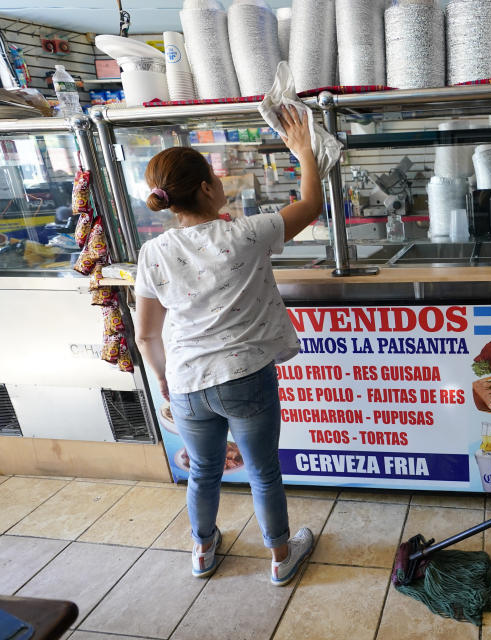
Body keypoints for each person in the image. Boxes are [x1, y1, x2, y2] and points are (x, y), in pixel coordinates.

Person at [134, 106, 326, 586]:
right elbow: (310, 206)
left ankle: (201, 551)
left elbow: (146, 333)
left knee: (202, 472)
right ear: (206, 188)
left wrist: (163, 378)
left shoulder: (153, 252)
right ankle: (281, 557)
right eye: (215, 179)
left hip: (186, 382)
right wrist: (303, 152)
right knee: (263, 473)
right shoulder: (245, 233)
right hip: (244, 378)